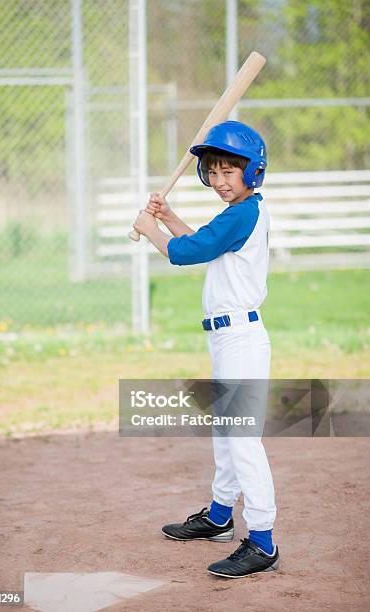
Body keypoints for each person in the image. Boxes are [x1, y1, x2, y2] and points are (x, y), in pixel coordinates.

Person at [132, 120, 279, 579]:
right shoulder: (240, 214)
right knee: (225, 434)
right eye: (212, 173)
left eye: (228, 172)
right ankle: (219, 517)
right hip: (226, 339)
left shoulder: (244, 213)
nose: (219, 181)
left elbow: (186, 253)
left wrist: (151, 230)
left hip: (241, 341)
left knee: (241, 440)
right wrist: (169, 218)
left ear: (251, 173)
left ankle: (262, 540)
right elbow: (207, 243)